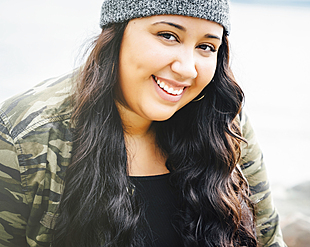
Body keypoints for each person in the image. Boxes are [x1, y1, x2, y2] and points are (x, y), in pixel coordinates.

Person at [0, 0, 286, 246]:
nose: (187, 68)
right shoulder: (24, 138)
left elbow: (268, 239)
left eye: (206, 46)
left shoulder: (224, 124)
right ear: (117, 33)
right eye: (168, 35)